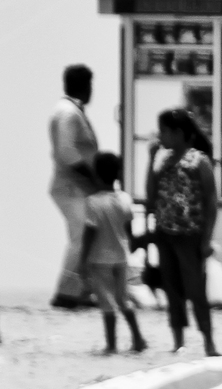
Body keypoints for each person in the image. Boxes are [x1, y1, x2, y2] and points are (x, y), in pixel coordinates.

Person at [146, 109, 219, 353]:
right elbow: (152, 194)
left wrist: (207, 238)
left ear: (178, 133)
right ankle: (178, 341)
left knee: (196, 289)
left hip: (190, 234)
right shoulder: (164, 161)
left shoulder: (199, 161)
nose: (161, 136)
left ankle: (208, 340)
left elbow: (210, 201)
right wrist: (150, 160)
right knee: (172, 289)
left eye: (164, 131)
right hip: (166, 232)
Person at [80, 152, 148, 354]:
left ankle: (111, 344)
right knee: (123, 299)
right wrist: (133, 244)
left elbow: (89, 234)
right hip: (121, 257)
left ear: (97, 176)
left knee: (107, 303)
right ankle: (138, 338)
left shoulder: (92, 202)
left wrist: (83, 259)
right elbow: (129, 229)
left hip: (99, 259)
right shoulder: (125, 199)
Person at [49, 65, 100, 308]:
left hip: (76, 187)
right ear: (85, 86)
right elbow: (67, 153)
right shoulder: (68, 113)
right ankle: (66, 292)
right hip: (72, 186)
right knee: (80, 237)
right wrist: (93, 177)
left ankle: (81, 289)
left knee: (84, 237)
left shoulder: (69, 110)